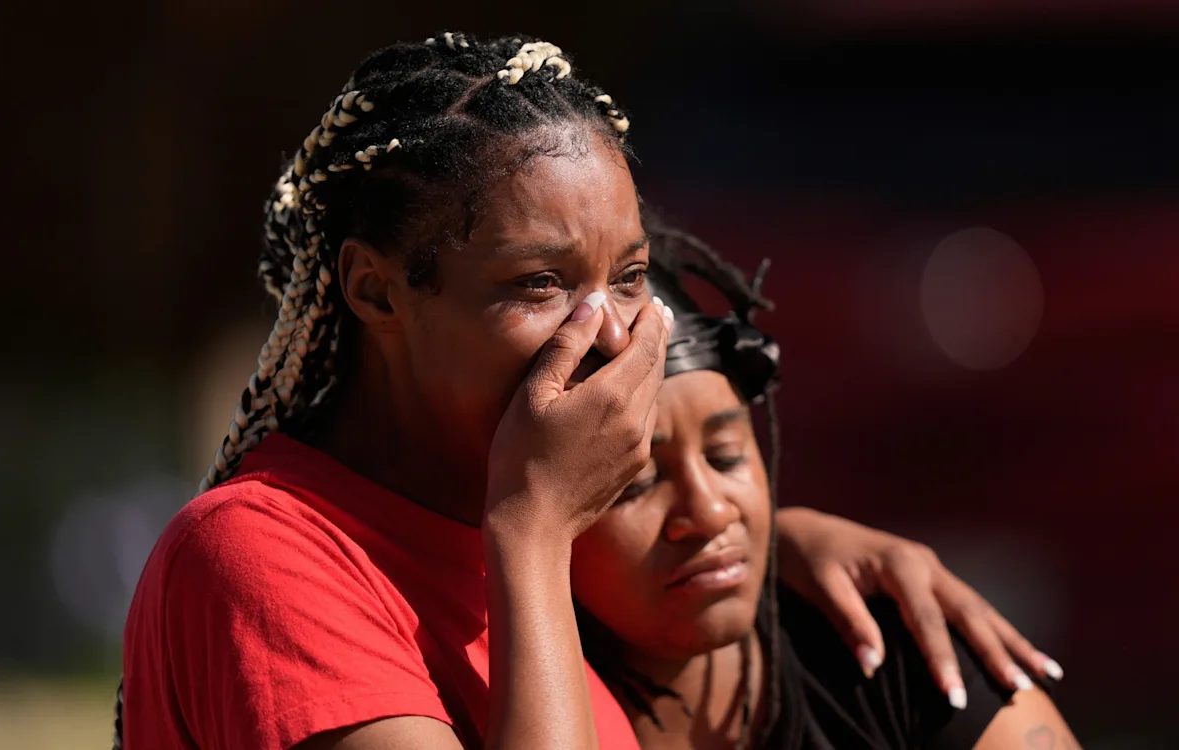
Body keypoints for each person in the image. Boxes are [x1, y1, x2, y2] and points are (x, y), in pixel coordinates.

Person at [117, 31, 1062, 750]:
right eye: (538, 285)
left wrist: (778, 543)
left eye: (630, 274)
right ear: (376, 290)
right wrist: (533, 532)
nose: (609, 333)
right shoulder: (261, 557)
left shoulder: (552, 532)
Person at [569, 209, 1082, 749]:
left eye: (725, 456)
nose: (711, 512)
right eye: (637, 483)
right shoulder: (496, 700)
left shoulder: (890, 654)